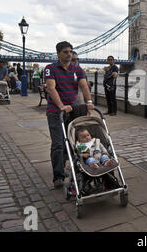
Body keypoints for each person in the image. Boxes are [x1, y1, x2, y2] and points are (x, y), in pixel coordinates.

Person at [44, 41, 94, 188]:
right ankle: (58, 176)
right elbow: (51, 88)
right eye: (66, 52)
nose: (69, 54)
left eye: (71, 51)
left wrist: (89, 102)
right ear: (58, 53)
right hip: (55, 112)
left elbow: (84, 86)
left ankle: (75, 168)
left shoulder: (77, 69)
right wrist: (61, 106)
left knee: (73, 142)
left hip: (73, 110)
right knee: (58, 143)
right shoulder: (50, 68)